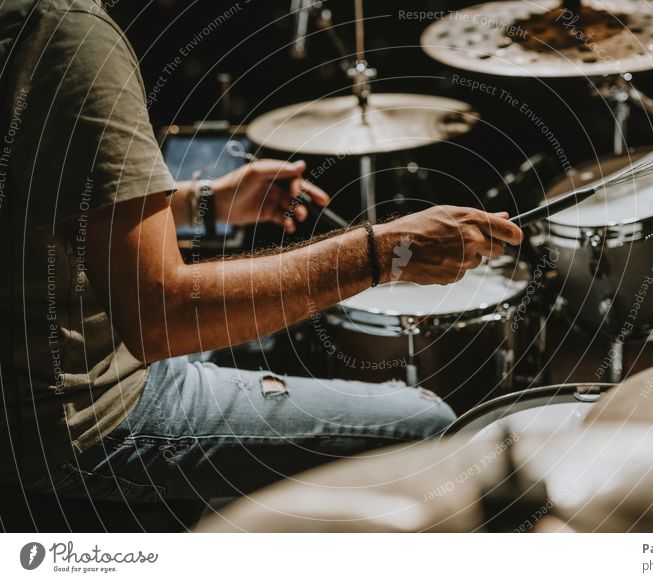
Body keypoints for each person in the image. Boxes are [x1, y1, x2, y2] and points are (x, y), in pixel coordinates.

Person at [0, 0, 523, 502]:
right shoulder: (65, 29)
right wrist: (386, 252)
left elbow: (48, 215)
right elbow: (163, 317)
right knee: (426, 424)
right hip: (78, 422)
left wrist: (208, 202)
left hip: (32, 396)